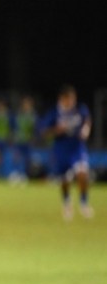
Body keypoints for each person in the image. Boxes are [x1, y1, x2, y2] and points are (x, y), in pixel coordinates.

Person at [39, 84, 94, 220]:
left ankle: (83, 203)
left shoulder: (79, 109)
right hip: (61, 149)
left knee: (82, 173)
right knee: (65, 180)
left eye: (73, 99)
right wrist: (57, 130)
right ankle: (67, 203)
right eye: (68, 99)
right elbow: (44, 132)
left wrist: (85, 130)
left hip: (77, 147)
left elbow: (87, 119)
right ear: (62, 99)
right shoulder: (54, 113)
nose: (71, 102)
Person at [9, 95, 38, 184]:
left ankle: (24, 175)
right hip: (18, 140)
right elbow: (14, 126)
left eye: (28, 104)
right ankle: (15, 174)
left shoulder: (33, 115)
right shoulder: (18, 114)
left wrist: (33, 137)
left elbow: (35, 128)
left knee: (27, 159)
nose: (26, 105)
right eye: (25, 103)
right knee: (16, 157)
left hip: (28, 141)